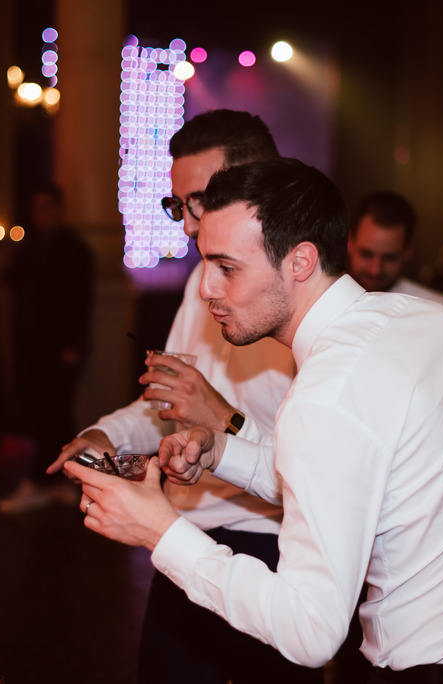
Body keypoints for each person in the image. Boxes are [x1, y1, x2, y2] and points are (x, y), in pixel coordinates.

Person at [66, 158, 443, 683]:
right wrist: (222, 452)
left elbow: (310, 630)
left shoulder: (327, 392)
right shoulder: (426, 321)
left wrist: (161, 530)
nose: (206, 288)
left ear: (300, 261)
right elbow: (351, 482)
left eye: (227, 268)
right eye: (206, 263)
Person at [48, 111, 321, 683]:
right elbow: (167, 402)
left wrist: (221, 416)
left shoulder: (305, 301)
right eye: (181, 206)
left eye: (203, 201)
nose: (191, 226)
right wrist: (104, 434)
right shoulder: (202, 284)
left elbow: (322, 477)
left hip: (273, 545)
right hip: (184, 532)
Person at [0, 183, 95, 513]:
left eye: (47, 207)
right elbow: (14, 281)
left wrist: (73, 345)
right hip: (35, 346)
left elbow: (79, 301)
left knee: (53, 413)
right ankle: (61, 480)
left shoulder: (74, 250)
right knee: (46, 414)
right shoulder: (32, 247)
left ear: (60, 210)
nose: (41, 215)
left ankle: (42, 480)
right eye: (37, 208)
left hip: (60, 348)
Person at [347, 190, 443, 324]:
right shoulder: (330, 303)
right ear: (349, 242)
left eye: (389, 258)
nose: (375, 270)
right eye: (367, 254)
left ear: (408, 251)